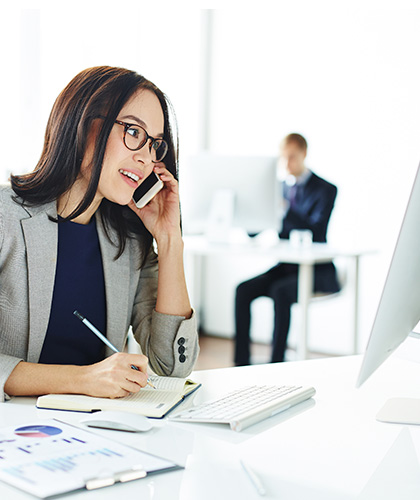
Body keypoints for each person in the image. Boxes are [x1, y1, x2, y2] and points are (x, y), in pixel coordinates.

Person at [0, 66, 199, 402]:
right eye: (134, 132)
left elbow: (171, 366)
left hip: (96, 434)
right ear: (81, 124)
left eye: (155, 144)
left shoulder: (129, 242)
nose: (146, 157)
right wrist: (82, 379)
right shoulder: (6, 217)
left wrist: (169, 241)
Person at [234, 133, 339, 365]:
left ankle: (276, 362)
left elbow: (316, 231)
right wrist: (250, 206)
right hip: (287, 267)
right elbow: (254, 231)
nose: (287, 164)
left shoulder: (325, 189)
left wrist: (284, 209)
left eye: (292, 157)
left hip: (318, 271)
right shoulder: (278, 188)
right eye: (284, 158)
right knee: (243, 290)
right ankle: (240, 363)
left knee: (281, 291)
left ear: (304, 154)